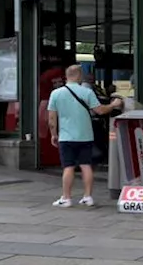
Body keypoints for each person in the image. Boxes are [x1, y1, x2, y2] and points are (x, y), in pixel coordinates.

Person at [46, 64, 119, 207]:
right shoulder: (87, 92)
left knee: (68, 167)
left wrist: (54, 135)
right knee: (86, 165)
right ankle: (88, 197)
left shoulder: (56, 94)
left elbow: (51, 120)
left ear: (66, 76)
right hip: (85, 136)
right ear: (79, 76)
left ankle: (66, 198)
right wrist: (114, 104)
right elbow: (100, 111)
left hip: (66, 137)